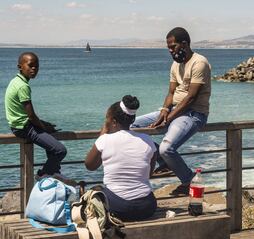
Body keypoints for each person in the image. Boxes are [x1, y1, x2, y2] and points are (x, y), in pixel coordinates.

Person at [131, 27, 211, 196]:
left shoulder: (199, 63)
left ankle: (188, 179)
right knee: (131, 127)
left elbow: (191, 98)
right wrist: (164, 111)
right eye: (168, 47)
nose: (170, 50)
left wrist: (168, 118)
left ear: (184, 44)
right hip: (175, 110)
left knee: (166, 148)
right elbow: (171, 92)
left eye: (173, 46)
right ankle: (164, 162)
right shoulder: (176, 64)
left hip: (193, 113)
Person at [85, 95, 157, 221]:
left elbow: (90, 165)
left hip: (119, 208)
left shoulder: (105, 139)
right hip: (147, 207)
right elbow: (148, 174)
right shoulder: (147, 140)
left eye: (106, 119)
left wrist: (102, 135)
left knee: (95, 190)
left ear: (113, 122)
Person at [4, 52, 67, 179]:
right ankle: (43, 174)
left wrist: (44, 125)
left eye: (36, 66)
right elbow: (31, 116)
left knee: (50, 137)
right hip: (24, 128)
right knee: (60, 150)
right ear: (20, 66)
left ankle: (54, 171)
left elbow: (27, 114)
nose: (34, 69)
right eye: (30, 65)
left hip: (18, 125)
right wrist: (43, 128)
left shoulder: (15, 81)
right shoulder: (23, 86)